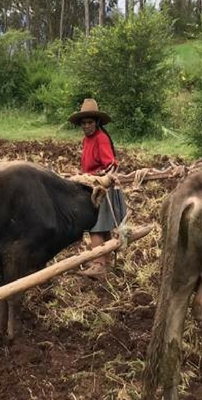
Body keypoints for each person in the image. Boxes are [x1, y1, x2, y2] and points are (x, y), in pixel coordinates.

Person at [69, 98, 127, 280]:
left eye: (90, 122)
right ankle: (106, 261)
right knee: (103, 228)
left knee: (96, 227)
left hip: (102, 188)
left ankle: (98, 264)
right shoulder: (87, 140)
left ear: (97, 123)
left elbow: (111, 165)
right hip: (92, 184)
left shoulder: (101, 138)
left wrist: (100, 177)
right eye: (84, 123)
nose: (87, 126)